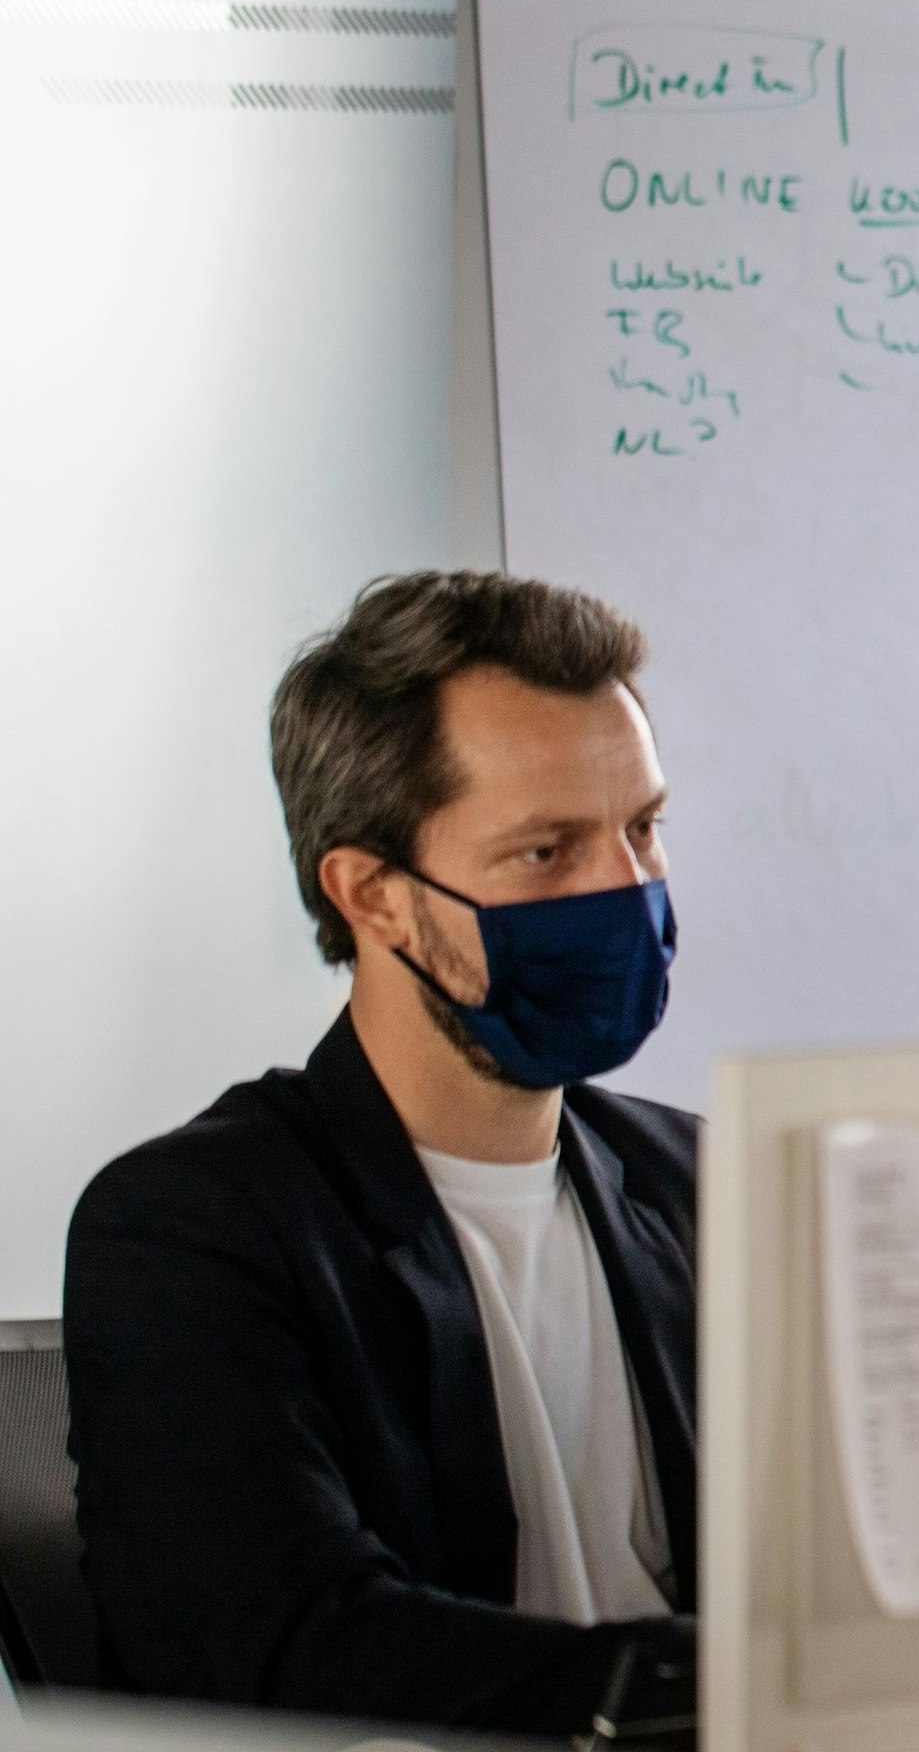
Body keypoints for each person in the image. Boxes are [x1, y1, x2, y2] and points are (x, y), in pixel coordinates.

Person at [66, 572, 699, 1733]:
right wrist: (692, 1685)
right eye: (548, 850)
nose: (628, 889)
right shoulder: (194, 1225)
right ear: (373, 895)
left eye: (643, 826)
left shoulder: (704, 1184)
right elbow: (285, 1642)